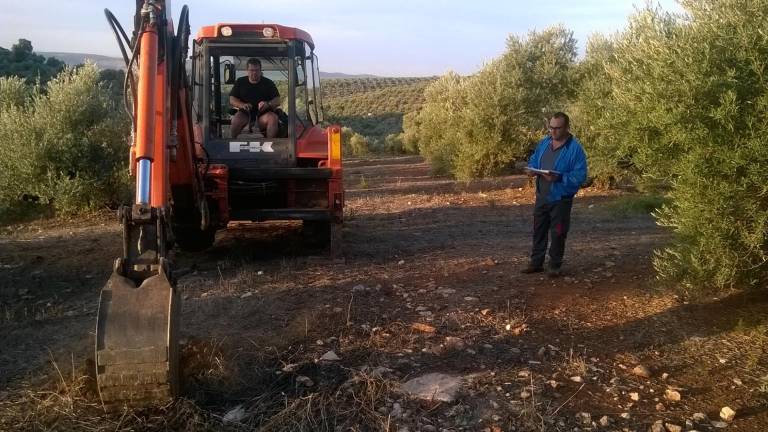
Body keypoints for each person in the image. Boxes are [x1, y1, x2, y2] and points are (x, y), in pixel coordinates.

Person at [522, 112, 588, 277]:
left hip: (561, 198)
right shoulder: (544, 143)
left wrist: (559, 177)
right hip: (542, 196)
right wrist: (531, 170)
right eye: (551, 127)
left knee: (558, 232)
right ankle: (536, 263)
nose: (553, 131)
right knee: (538, 230)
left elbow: (580, 176)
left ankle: (554, 265)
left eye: (558, 128)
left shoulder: (575, 149)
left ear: (566, 128)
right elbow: (535, 160)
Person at [229, 58, 281, 139]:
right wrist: (242, 105)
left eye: (257, 70)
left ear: (260, 70)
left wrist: (268, 104)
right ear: (247, 71)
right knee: (235, 120)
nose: (254, 73)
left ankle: (270, 145)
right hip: (245, 114)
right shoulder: (240, 82)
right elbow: (232, 99)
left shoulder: (268, 83)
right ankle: (232, 145)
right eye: (251, 70)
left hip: (263, 115)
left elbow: (277, 100)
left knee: (273, 118)